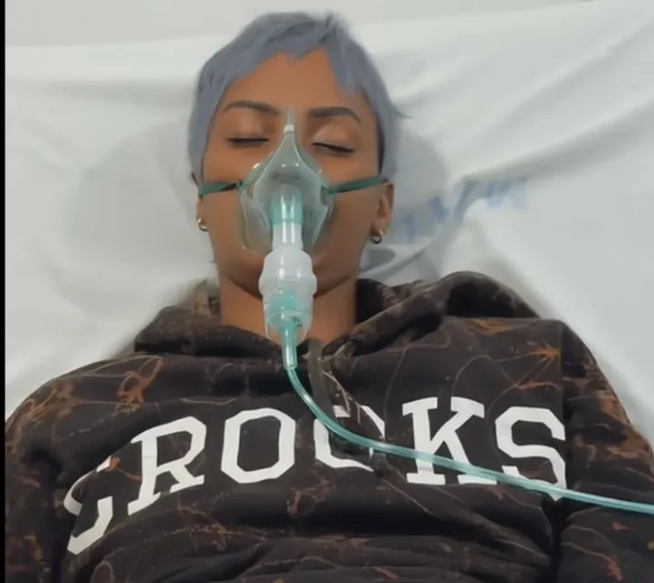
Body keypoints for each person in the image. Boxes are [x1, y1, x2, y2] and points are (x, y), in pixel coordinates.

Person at [5, 12, 654, 583]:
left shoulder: (522, 363)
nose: (288, 169)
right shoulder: (76, 415)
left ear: (382, 205)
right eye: (247, 139)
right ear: (202, 195)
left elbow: (630, 540)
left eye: (333, 145)